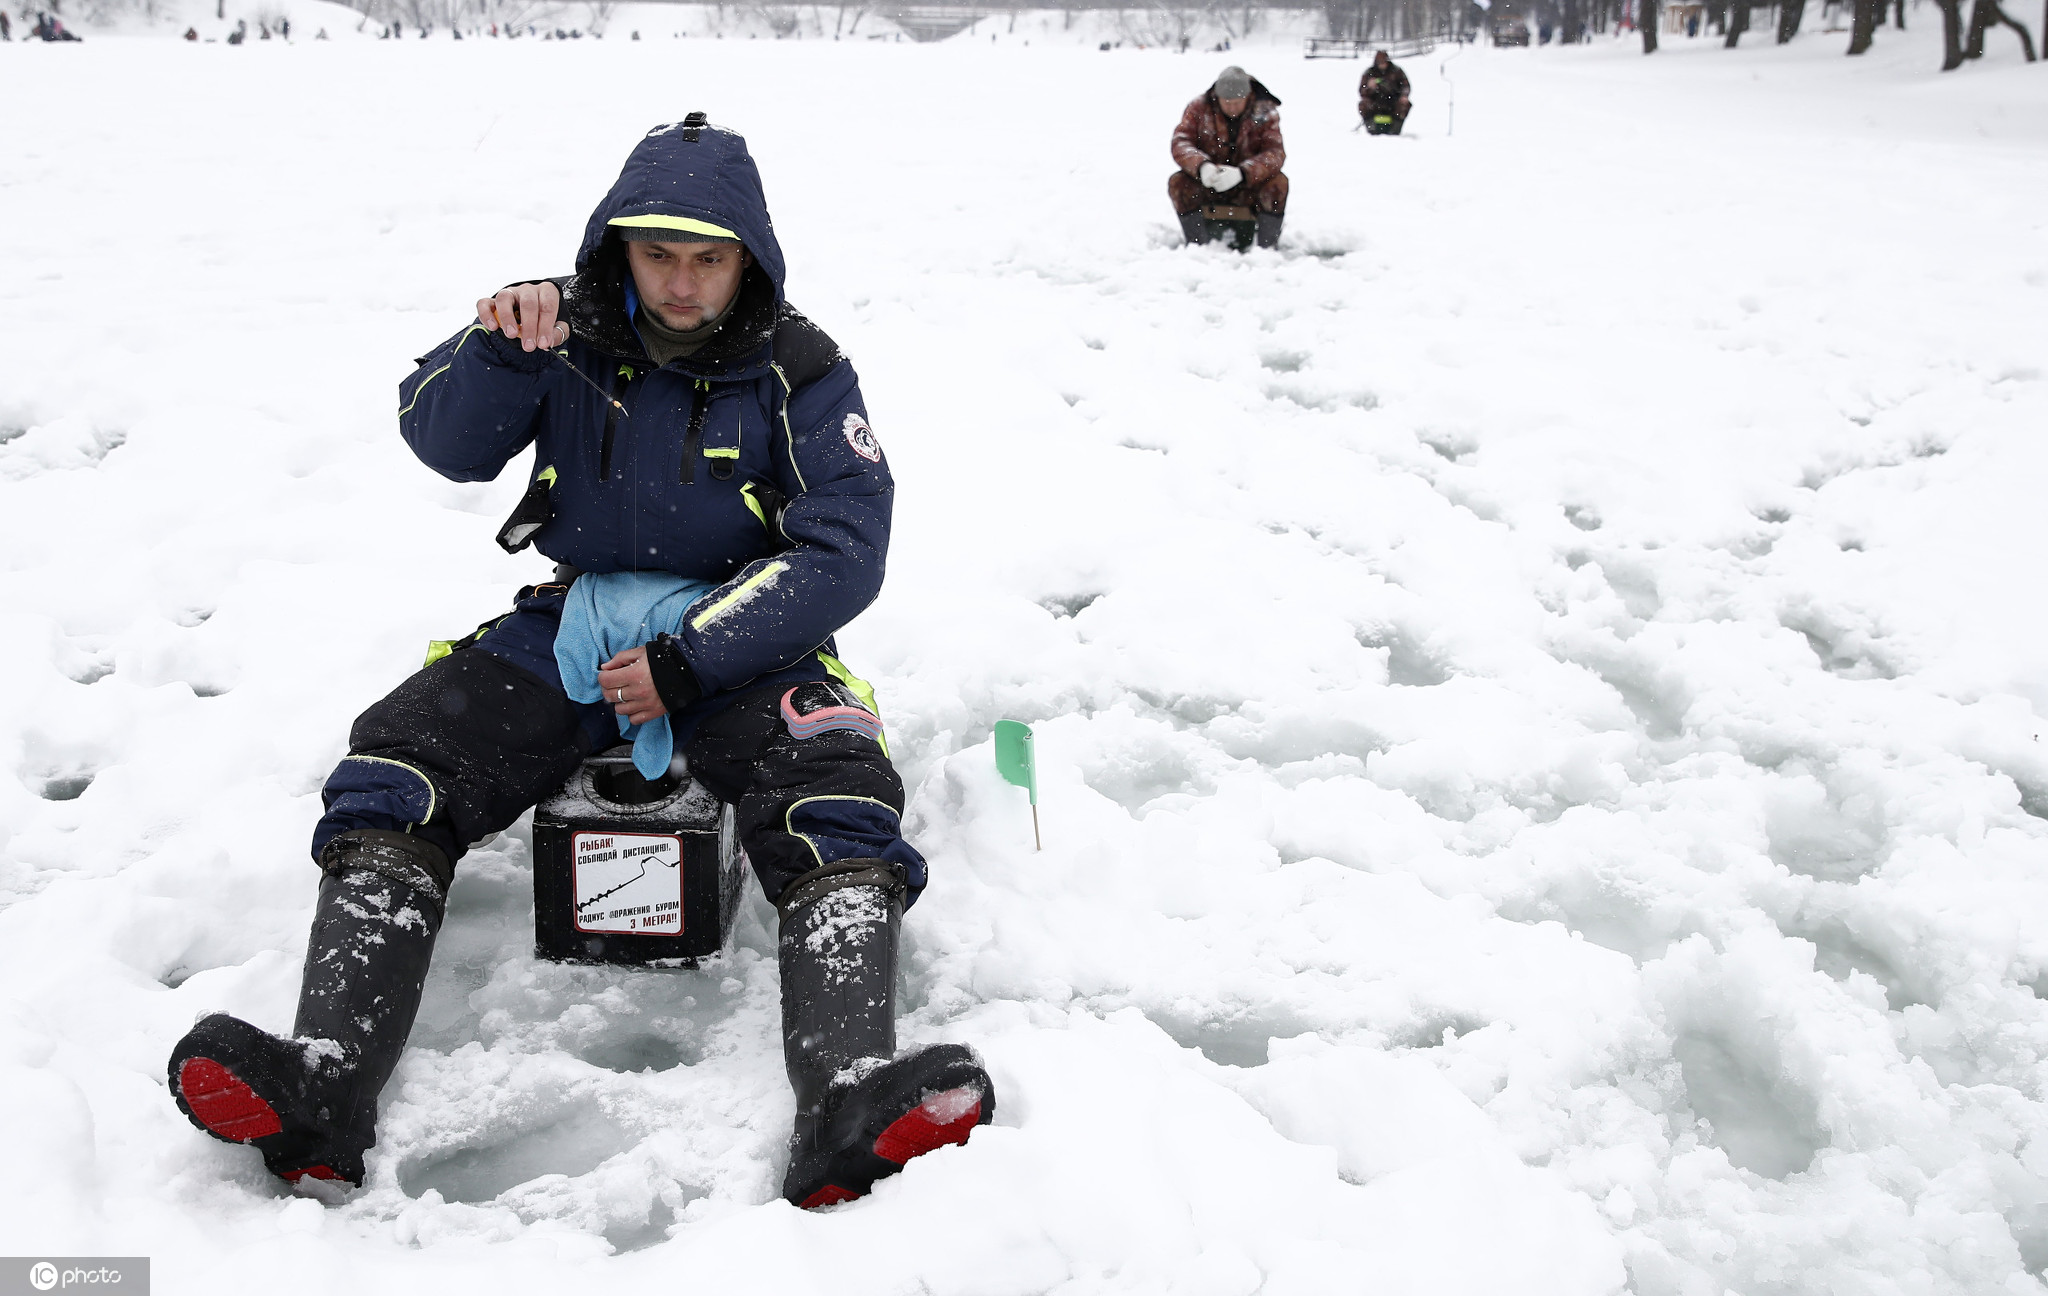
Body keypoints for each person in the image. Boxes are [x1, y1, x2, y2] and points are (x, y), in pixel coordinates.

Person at [166, 115, 996, 1211]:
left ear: (748, 255)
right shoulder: (558, 329)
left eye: (709, 257)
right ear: (618, 244)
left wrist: (691, 662)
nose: (684, 281)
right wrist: (499, 350)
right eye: (660, 254)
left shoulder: (799, 368)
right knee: (399, 771)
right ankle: (321, 1085)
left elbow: (844, 551)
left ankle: (847, 1096)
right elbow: (446, 445)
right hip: (575, 622)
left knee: (832, 797)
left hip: (745, 633)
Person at [1168, 64, 1287, 250]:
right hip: (1209, 183)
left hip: (1249, 186)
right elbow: (1181, 141)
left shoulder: (1265, 112)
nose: (1233, 107)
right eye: (1227, 102)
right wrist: (1201, 166)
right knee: (1178, 183)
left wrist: (1244, 173)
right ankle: (1196, 247)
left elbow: (1275, 153)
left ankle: (1266, 249)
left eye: (1238, 102)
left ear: (1248, 97)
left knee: (1278, 184)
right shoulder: (1199, 108)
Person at [1359, 50, 1411, 135]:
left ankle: (1395, 130)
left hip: (1393, 101)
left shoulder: (1396, 71)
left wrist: (1404, 95)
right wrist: (1369, 88)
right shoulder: (1369, 73)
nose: (1382, 64)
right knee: (1363, 104)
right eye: (1380, 62)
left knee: (1404, 104)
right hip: (1375, 102)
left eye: (1384, 62)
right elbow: (1362, 91)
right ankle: (1372, 129)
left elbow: (1406, 86)